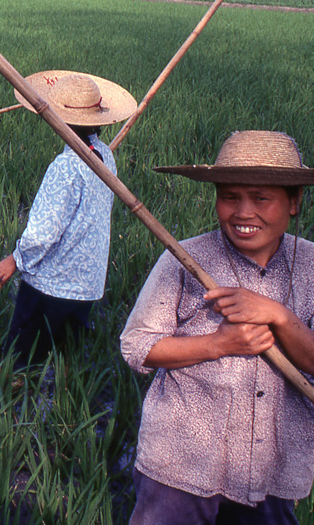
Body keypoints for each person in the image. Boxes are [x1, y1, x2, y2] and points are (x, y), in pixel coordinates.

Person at [120, 130, 314, 524]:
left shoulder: (311, 265)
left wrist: (278, 315)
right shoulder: (185, 258)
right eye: (230, 197)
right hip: (182, 463)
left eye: (261, 198)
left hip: (271, 464)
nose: (243, 212)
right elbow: (137, 347)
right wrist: (219, 343)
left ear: (294, 202)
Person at [0, 71, 136, 369]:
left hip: (52, 283)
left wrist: (14, 260)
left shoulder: (65, 166)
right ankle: (64, 409)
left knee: (20, 361)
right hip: (88, 282)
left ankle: (10, 403)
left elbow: (43, 233)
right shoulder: (105, 154)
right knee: (67, 361)